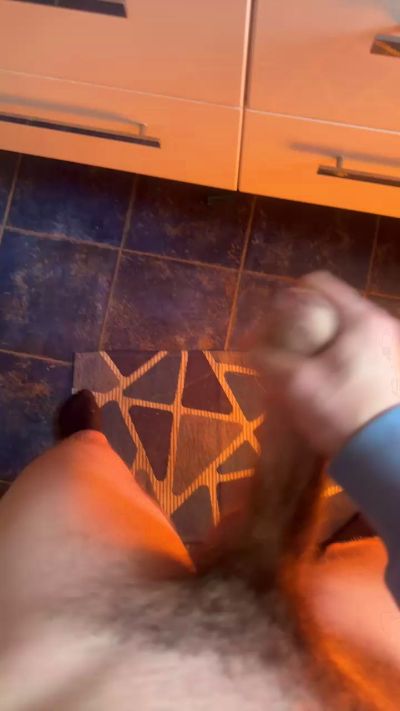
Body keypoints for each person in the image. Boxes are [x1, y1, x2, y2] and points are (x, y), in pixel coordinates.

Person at [1, 270, 400, 709]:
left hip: (79, 662)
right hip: (358, 671)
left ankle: (85, 439)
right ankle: (362, 537)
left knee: (79, 472)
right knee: (366, 567)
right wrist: (381, 441)